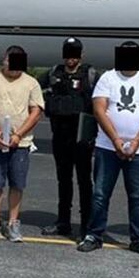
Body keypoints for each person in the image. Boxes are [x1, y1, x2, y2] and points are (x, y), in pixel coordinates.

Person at [77, 41, 139, 257]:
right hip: (107, 146)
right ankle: (94, 235)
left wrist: (135, 142)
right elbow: (99, 109)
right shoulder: (108, 78)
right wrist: (116, 140)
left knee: (137, 197)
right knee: (100, 194)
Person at [0, 46, 44, 242]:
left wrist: (19, 135)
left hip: (20, 143)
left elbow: (36, 112)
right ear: (3, 60)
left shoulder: (31, 83)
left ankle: (13, 222)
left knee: (17, 184)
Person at [38, 37, 99, 239]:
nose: (70, 59)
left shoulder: (90, 75)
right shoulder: (54, 73)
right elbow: (33, 87)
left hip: (82, 136)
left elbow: (101, 100)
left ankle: (86, 224)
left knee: (84, 181)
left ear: (81, 55)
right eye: (68, 55)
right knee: (63, 180)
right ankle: (63, 221)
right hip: (60, 134)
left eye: (74, 55)